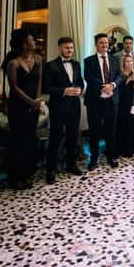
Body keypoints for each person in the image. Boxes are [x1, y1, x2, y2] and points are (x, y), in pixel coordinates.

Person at [4, 29, 42, 190]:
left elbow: (39, 81)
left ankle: (27, 174)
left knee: (29, 140)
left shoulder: (38, 59)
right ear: (24, 44)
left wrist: (37, 99)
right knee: (18, 141)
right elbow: (14, 87)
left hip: (34, 105)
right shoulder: (13, 63)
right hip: (18, 107)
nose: (34, 42)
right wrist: (30, 101)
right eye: (32, 40)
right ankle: (15, 177)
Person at [44, 37, 84, 184]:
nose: (69, 50)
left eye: (71, 48)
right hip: (58, 107)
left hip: (74, 106)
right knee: (55, 138)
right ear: (60, 48)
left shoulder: (77, 64)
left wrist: (80, 89)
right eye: (67, 47)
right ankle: (51, 170)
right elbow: (46, 88)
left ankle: (71, 164)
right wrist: (64, 91)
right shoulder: (51, 65)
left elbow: (80, 82)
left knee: (73, 136)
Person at [84, 33, 125, 170]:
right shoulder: (88, 61)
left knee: (111, 130)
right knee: (94, 131)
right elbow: (88, 77)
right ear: (96, 44)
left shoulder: (114, 59)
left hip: (112, 101)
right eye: (101, 43)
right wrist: (104, 87)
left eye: (106, 43)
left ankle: (110, 156)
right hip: (95, 101)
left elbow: (120, 76)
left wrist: (112, 85)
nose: (104, 45)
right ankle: (93, 159)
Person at [117, 55, 134, 157]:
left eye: (131, 61)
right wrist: (131, 77)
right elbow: (122, 86)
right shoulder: (120, 74)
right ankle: (125, 148)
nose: (129, 63)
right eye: (127, 61)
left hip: (133, 102)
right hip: (123, 102)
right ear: (123, 63)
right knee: (125, 124)